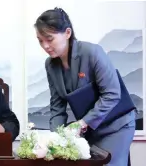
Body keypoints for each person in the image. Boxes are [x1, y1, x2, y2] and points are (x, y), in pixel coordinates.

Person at [34, 7, 135, 166]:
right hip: (91, 130)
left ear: (67, 33)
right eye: (40, 40)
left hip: (117, 126)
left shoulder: (93, 52)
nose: (45, 46)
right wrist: (56, 138)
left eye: (49, 39)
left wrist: (82, 123)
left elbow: (112, 94)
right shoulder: (50, 65)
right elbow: (57, 106)